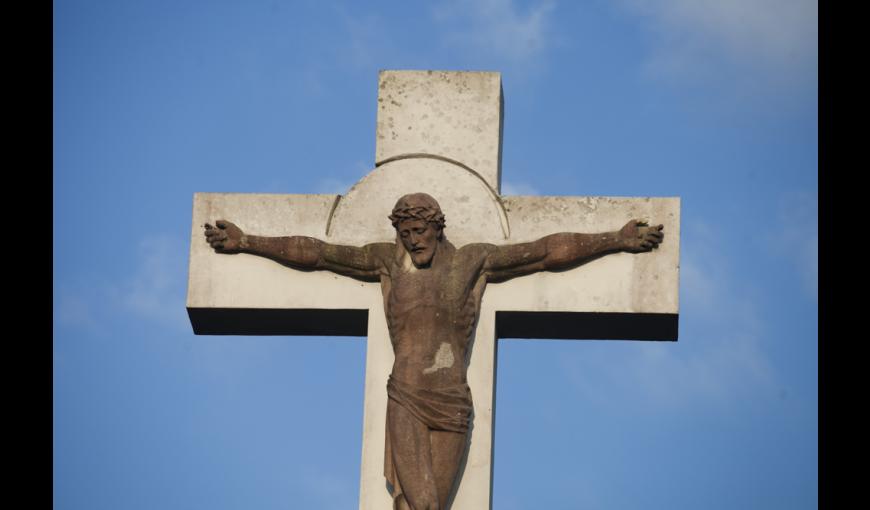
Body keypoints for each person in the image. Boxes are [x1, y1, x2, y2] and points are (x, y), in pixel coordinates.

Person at [204, 192, 663, 510]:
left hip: (451, 403)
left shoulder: (471, 262)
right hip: (405, 395)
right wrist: (247, 242)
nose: (413, 241)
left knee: (433, 504)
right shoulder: (386, 261)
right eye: (405, 233)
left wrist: (615, 240)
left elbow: (543, 252)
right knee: (417, 502)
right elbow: (320, 253)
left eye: (420, 230)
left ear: (437, 227)